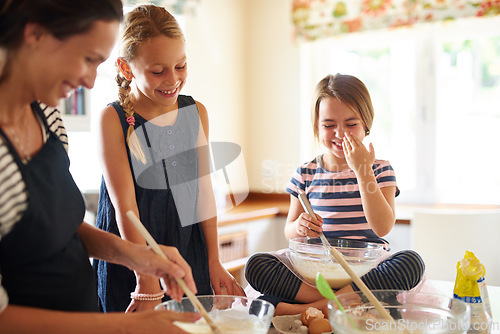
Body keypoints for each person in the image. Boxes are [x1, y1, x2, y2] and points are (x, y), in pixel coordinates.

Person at [0, 0, 200, 332]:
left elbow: (59, 228)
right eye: (88, 59)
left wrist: (135, 256)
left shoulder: (48, 118)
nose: (91, 81)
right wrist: (124, 328)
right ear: (35, 35)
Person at [93, 4, 245, 313]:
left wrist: (214, 261)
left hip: (188, 251)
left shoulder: (195, 113)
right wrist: (145, 275)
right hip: (132, 258)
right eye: (158, 71)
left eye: (181, 66)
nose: (173, 79)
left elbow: (203, 193)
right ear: (126, 68)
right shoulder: (113, 119)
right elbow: (126, 210)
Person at [245, 74, 425, 316]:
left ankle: (310, 310)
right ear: (317, 127)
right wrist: (299, 226)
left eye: (351, 124)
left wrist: (363, 171)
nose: (340, 134)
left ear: (366, 125)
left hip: (365, 272)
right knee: (257, 265)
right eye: (329, 125)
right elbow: (289, 229)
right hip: (314, 274)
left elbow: (382, 228)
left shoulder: (381, 169)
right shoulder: (306, 172)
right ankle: (346, 305)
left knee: (410, 263)